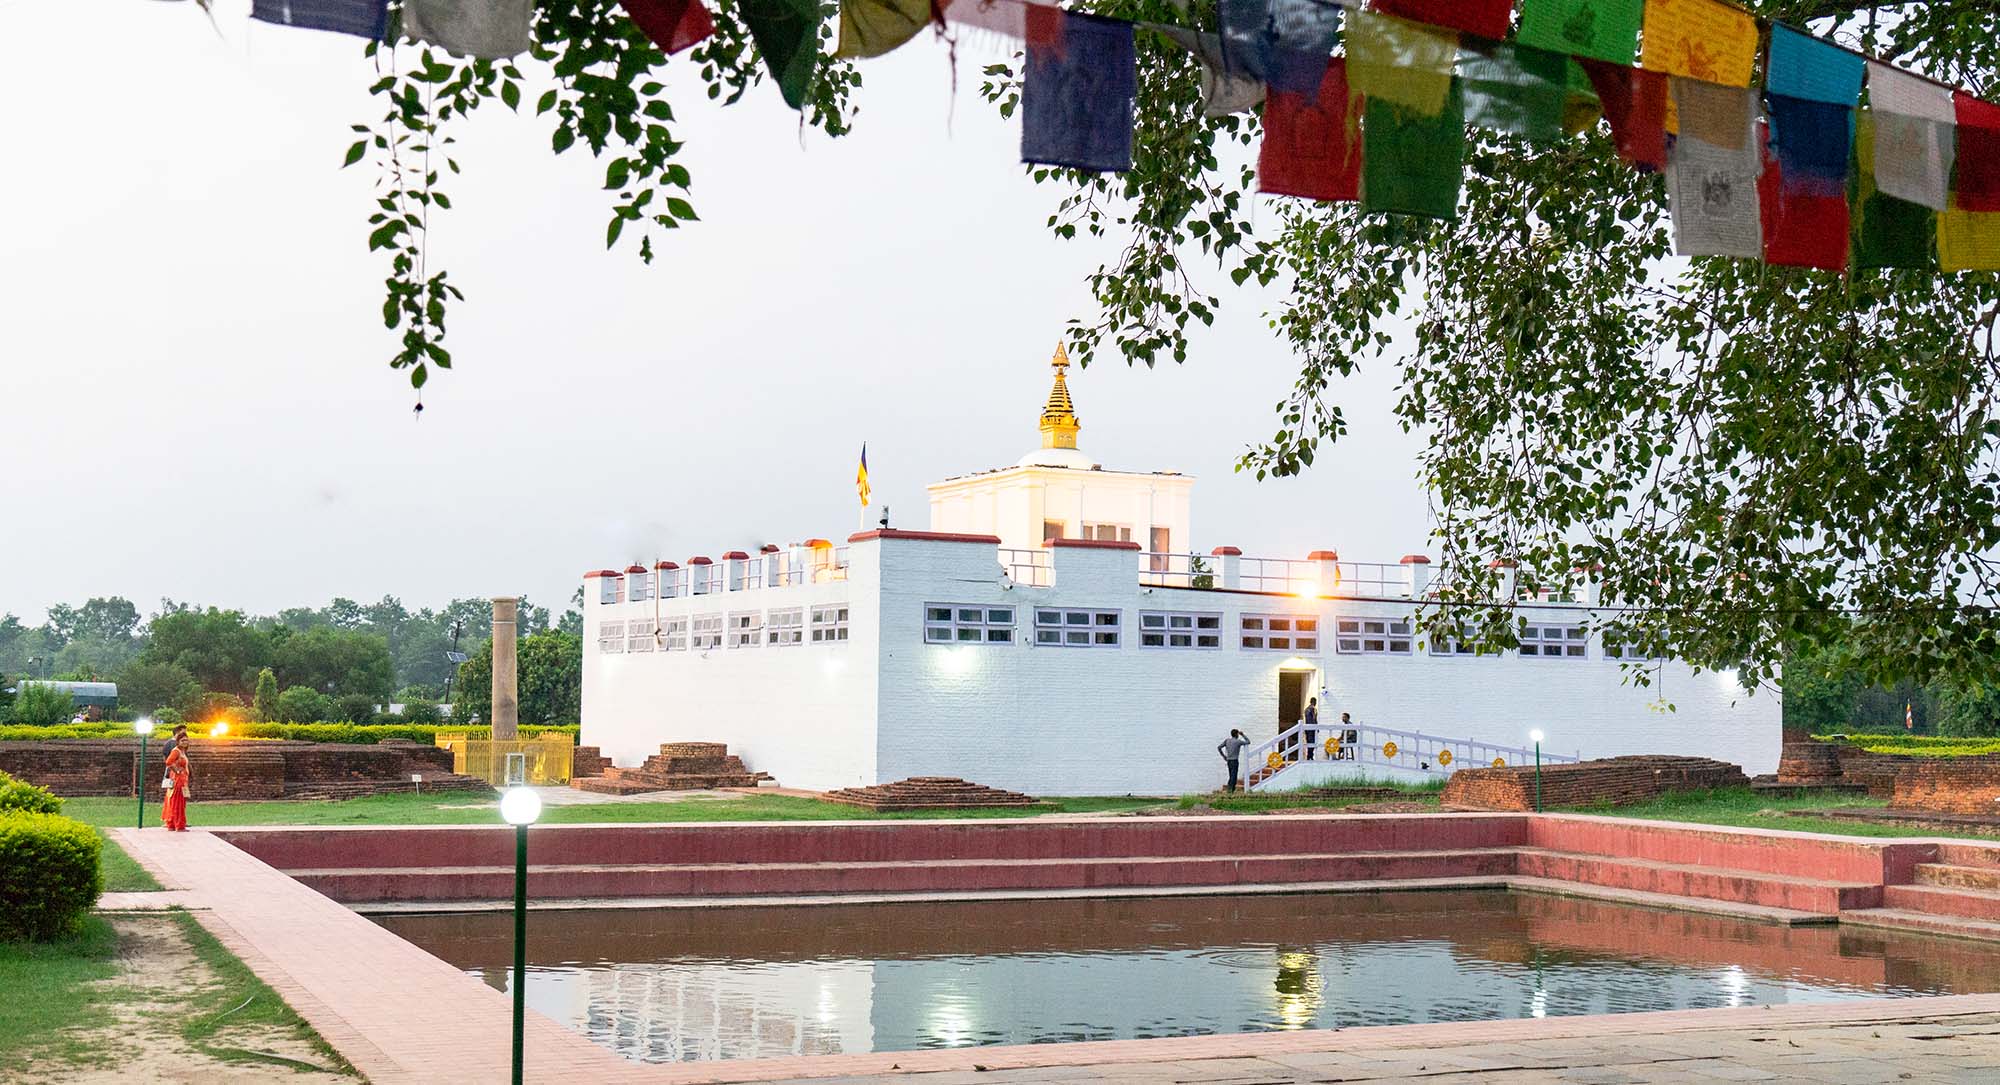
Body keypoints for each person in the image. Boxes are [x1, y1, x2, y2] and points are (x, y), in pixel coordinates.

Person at [162, 736, 191, 832]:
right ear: (178, 741)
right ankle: (179, 825)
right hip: (178, 780)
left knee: (177, 802)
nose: (185, 742)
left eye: (186, 740)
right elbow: (168, 762)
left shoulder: (182, 751)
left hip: (182, 779)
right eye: (182, 740)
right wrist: (177, 771)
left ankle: (172, 824)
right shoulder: (176, 751)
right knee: (178, 802)